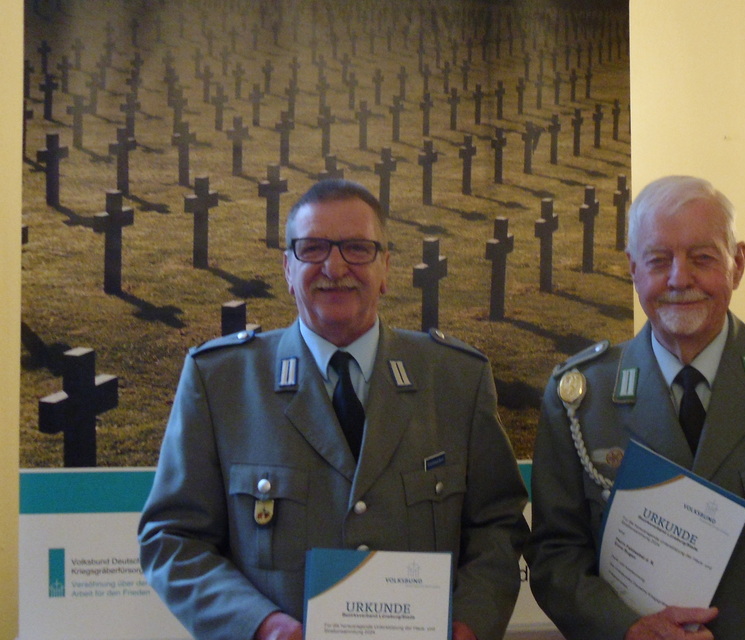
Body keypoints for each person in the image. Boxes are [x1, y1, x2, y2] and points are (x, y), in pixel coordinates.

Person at [139, 179, 529, 640]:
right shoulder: (221, 381)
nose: (335, 266)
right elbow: (173, 538)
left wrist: (470, 623)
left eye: (358, 248)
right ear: (288, 269)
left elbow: (497, 526)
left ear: (385, 268)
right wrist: (260, 627)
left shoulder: (456, 379)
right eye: (313, 248)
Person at [526, 175, 745, 640]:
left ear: (738, 263)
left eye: (703, 258)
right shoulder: (581, 400)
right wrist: (627, 628)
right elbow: (556, 557)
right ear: (633, 268)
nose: (680, 279)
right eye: (659, 260)